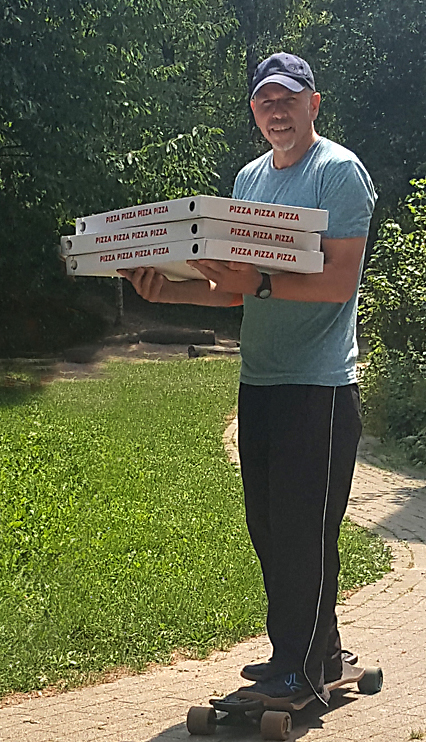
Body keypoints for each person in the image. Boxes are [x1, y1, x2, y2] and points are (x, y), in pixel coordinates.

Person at [118, 52, 377, 704]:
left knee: (303, 532)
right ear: (254, 111)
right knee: (269, 527)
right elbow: (236, 289)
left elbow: (338, 281)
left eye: (288, 98)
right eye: (265, 101)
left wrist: (257, 280)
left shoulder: (338, 172)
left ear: (313, 103)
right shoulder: (250, 178)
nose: (277, 111)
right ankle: (322, 653)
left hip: (319, 386)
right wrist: (169, 292)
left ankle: (297, 672)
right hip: (259, 380)